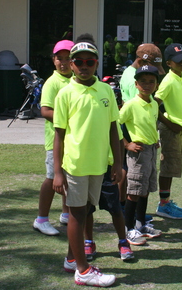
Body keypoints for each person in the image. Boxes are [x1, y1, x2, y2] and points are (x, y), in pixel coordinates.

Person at [53, 34, 120, 287]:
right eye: (78, 62)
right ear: (71, 65)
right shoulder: (65, 94)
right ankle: (82, 270)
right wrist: (58, 172)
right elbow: (59, 135)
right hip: (76, 165)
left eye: (89, 62)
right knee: (77, 215)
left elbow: (114, 128)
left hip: (98, 164)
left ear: (96, 63)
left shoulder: (106, 91)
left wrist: (116, 163)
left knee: (87, 210)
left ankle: (72, 259)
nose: (83, 66)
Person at [32, 40, 73, 236]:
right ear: (53, 60)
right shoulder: (52, 82)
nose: (63, 63)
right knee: (52, 178)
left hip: (73, 139)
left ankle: (66, 214)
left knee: (69, 175)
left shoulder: (75, 79)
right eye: (60, 58)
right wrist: (71, 118)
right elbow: (45, 111)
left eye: (68, 58)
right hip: (55, 140)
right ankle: (41, 219)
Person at [120, 64, 162, 245]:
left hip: (151, 151)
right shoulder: (131, 105)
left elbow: (150, 124)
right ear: (136, 84)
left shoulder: (154, 103)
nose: (147, 85)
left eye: (151, 82)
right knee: (134, 191)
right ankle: (128, 229)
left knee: (145, 191)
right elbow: (115, 124)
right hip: (138, 153)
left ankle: (141, 224)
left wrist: (155, 140)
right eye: (143, 82)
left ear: (156, 85)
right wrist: (126, 144)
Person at [84, 125, 135, 262]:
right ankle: (88, 242)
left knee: (115, 208)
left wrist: (117, 164)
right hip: (85, 166)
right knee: (87, 209)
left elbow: (118, 138)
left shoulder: (106, 111)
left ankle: (123, 242)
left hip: (106, 168)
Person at [155, 43, 182, 220]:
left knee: (173, 168)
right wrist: (169, 123)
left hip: (179, 130)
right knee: (168, 168)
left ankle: (166, 201)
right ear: (169, 63)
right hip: (171, 129)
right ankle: (163, 204)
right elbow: (155, 105)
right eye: (178, 61)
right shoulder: (168, 81)